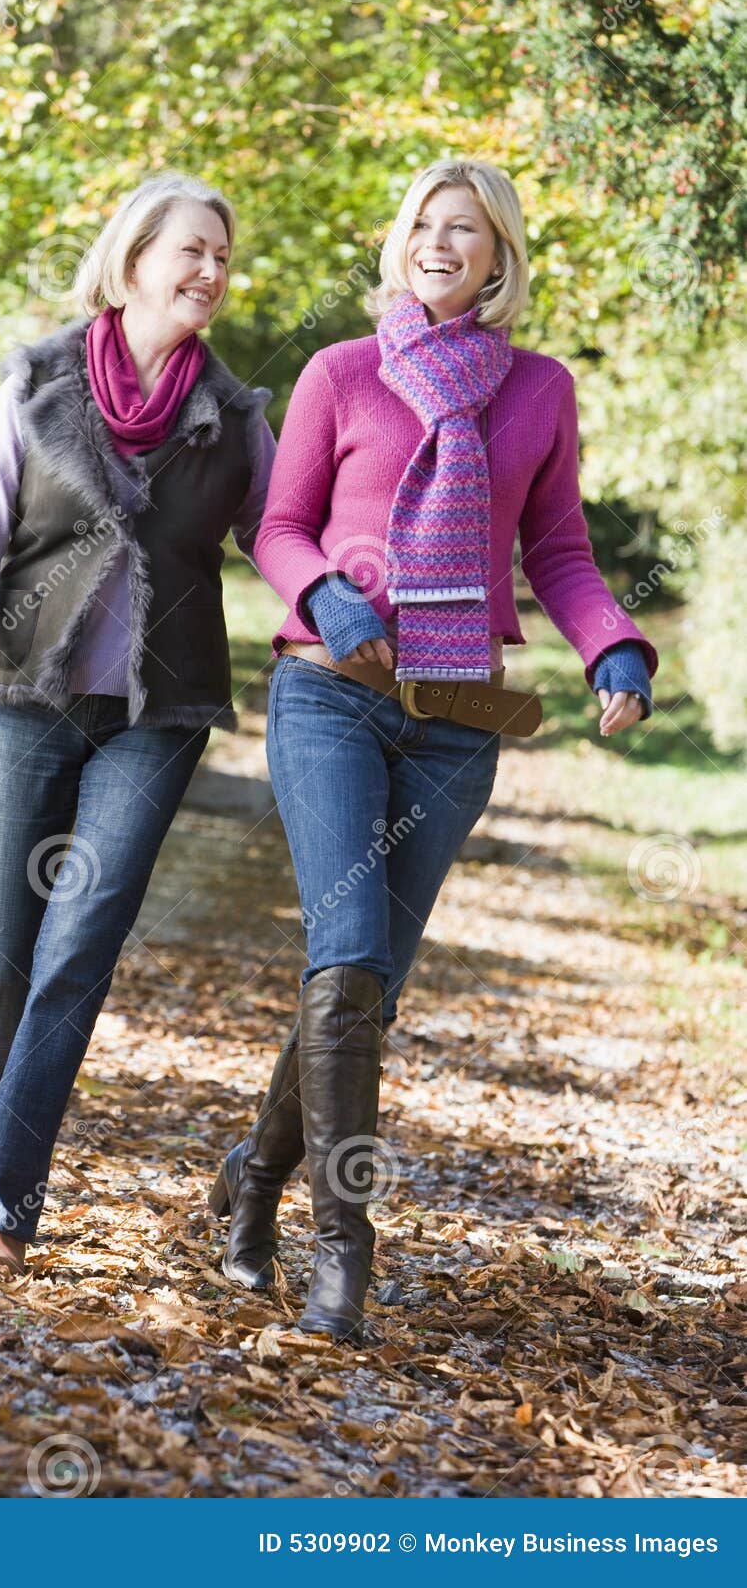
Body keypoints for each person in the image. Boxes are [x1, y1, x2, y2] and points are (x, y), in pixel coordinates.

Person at [210, 158, 657, 1344]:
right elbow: (277, 524)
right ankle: (340, 1253)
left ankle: (252, 1177)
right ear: (398, 242)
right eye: (422, 224)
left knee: (366, 990)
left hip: (460, 722)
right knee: (345, 957)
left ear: (499, 259)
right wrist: (322, 594)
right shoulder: (340, 373)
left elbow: (556, 548)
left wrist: (613, 644)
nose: (437, 242)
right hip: (329, 694)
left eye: (464, 229)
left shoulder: (539, 391)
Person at [0, 172, 275, 1274]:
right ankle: (2, 1164)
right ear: (130, 264)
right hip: (24, 694)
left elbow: (286, 536)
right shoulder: (34, 383)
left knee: (78, 947)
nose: (210, 272)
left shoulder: (232, 417)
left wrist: (362, 594)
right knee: (2, 959)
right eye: (191, 251)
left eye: (222, 254)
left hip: (156, 714)